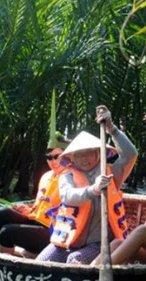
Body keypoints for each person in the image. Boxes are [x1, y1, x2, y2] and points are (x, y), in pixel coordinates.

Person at [36, 106, 137, 264]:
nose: (84, 158)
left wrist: (111, 128)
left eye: (89, 153)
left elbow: (131, 154)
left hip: (97, 244)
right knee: (41, 263)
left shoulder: (111, 173)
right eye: (79, 154)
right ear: (72, 157)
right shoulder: (67, 175)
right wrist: (93, 190)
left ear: (98, 153)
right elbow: (68, 196)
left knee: (74, 260)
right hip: (66, 241)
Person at [0, 134, 69, 257]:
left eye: (57, 157)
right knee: (1, 214)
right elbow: (41, 206)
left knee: (7, 232)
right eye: (49, 157)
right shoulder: (46, 176)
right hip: (36, 222)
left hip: (54, 231)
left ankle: (6, 265)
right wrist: (29, 210)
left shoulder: (71, 178)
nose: (53, 161)